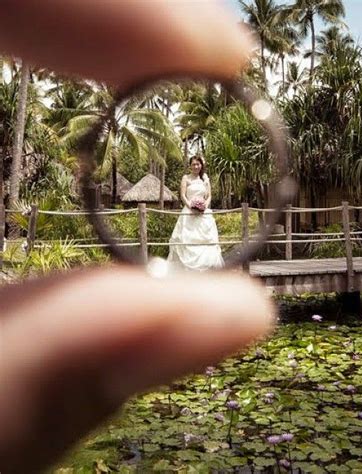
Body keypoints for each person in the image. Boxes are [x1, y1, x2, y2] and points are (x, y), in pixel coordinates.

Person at [0, 2, 275, 473]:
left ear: (201, 169)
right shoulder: (186, 182)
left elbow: (203, 198)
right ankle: (190, 283)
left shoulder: (204, 183)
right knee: (186, 252)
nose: (195, 171)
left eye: (197, 168)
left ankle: (202, 281)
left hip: (201, 221)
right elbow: (190, 197)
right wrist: (192, 202)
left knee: (205, 251)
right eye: (192, 168)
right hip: (189, 221)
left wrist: (202, 203)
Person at [168, 155, 224, 271]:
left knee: (207, 240)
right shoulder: (186, 178)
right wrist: (191, 207)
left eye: (198, 164)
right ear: (190, 166)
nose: (196, 166)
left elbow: (209, 196)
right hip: (189, 212)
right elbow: (183, 195)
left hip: (204, 213)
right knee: (187, 239)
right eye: (193, 164)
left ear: (201, 165)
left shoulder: (205, 178)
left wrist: (204, 207)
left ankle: (207, 270)